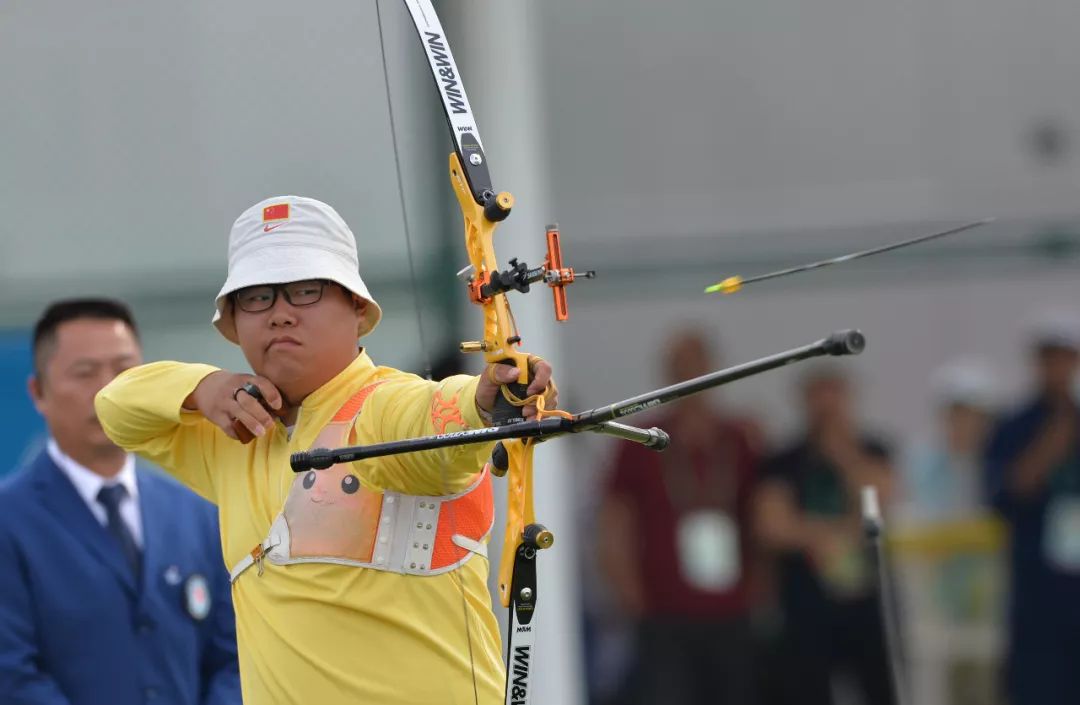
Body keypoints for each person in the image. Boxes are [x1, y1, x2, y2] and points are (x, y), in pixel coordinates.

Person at [94, 195, 558, 705]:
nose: (280, 314)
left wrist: (486, 400)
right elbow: (116, 407)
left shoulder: (381, 406)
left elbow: (436, 416)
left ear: (357, 309)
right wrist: (205, 386)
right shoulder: (233, 436)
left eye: (305, 291)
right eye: (257, 297)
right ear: (233, 320)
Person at [0, 299, 241, 705]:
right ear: (38, 392)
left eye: (124, 372)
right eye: (85, 373)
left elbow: (233, 658)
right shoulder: (10, 519)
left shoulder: (197, 511)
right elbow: (13, 674)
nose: (107, 390)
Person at [596, 330, 761, 705]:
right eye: (680, 367)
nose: (690, 376)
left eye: (697, 366)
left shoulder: (739, 437)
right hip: (662, 610)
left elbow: (759, 517)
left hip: (732, 610)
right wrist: (627, 590)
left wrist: (761, 586)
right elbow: (616, 520)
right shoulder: (641, 439)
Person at [754, 365, 896, 705]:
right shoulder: (783, 461)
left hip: (868, 601)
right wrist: (841, 530)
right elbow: (773, 528)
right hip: (807, 600)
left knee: (881, 688)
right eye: (818, 396)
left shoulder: (873, 451)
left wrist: (844, 455)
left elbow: (879, 508)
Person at [985, 312, 1080, 705]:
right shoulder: (1014, 425)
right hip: (1039, 591)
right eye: (1048, 358)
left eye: (1065, 357)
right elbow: (1007, 491)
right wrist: (1056, 437)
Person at [901, 359, 998, 523]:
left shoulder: (998, 463)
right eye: (958, 414)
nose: (966, 424)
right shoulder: (919, 461)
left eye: (974, 416)